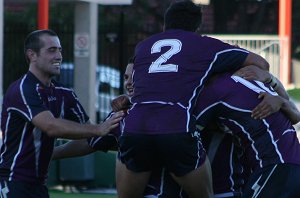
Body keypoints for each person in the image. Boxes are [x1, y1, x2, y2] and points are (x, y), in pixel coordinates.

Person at [118, 1, 269, 198]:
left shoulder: (143, 46)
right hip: (175, 126)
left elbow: (149, 85)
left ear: (165, 24)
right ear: (197, 27)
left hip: (136, 126)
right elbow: (261, 63)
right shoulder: (205, 44)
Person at [0, 29, 124, 198]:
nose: (58, 56)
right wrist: (98, 129)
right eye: (51, 50)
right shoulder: (22, 89)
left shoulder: (64, 93)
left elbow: (89, 139)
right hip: (12, 182)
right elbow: (50, 126)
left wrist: (122, 138)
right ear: (32, 55)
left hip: (39, 186)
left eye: (60, 50)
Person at [194, 68, 300, 197]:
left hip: (274, 164)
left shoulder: (217, 90)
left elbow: (183, 134)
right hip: (287, 164)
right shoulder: (250, 83)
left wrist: (275, 87)